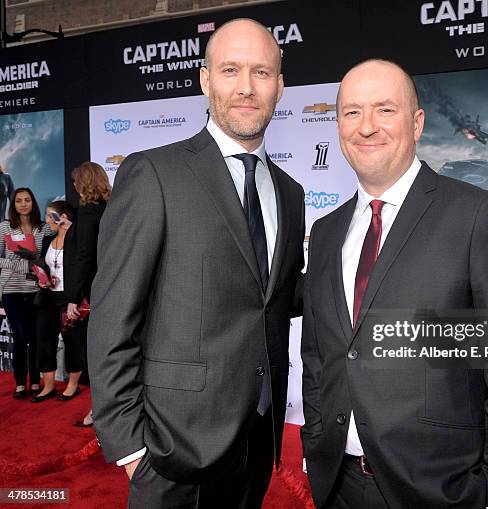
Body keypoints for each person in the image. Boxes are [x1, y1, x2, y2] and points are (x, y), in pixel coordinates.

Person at [301, 59, 488, 509]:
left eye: (384, 110)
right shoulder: (327, 230)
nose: (366, 126)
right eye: (352, 112)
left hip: (445, 488)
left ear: (417, 123)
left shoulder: (478, 215)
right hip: (339, 486)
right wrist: (317, 441)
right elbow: (319, 355)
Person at [88, 18, 305, 509]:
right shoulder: (154, 173)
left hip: (257, 440)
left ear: (281, 86)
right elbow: (113, 316)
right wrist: (130, 445)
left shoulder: (290, 192)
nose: (246, 88)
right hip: (172, 449)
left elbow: (273, 295)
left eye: (262, 73)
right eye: (230, 70)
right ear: (206, 80)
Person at [64, 161, 111, 427]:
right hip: (110, 290)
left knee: (98, 357)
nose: (74, 186)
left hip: (95, 294)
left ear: (84, 183)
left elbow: (84, 257)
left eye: (75, 182)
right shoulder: (110, 208)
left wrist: (73, 297)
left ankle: (100, 412)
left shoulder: (89, 213)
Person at [32, 200, 87, 403]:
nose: (47, 220)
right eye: (46, 215)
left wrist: (67, 225)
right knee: (44, 339)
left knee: (72, 341)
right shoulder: (48, 240)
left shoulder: (77, 240)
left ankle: (73, 386)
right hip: (48, 297)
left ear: (63, 217)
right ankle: (48, 386)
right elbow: (46, 266)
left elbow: (83, 266)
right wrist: (43, 278)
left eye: (51, 216)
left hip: (69, 298)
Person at [0, 188, 51, 398]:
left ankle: (36, 381)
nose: (23, 204)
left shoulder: (44, 228)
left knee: (35, 337)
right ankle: (21, 382)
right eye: (19, 200)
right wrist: (25, 266)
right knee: (20, 337)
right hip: (11, 289)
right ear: (13, 204)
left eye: (27, 200)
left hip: (36, 290)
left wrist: (36, 262)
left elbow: (49, 258)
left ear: (33, 202)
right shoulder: (4, 227)